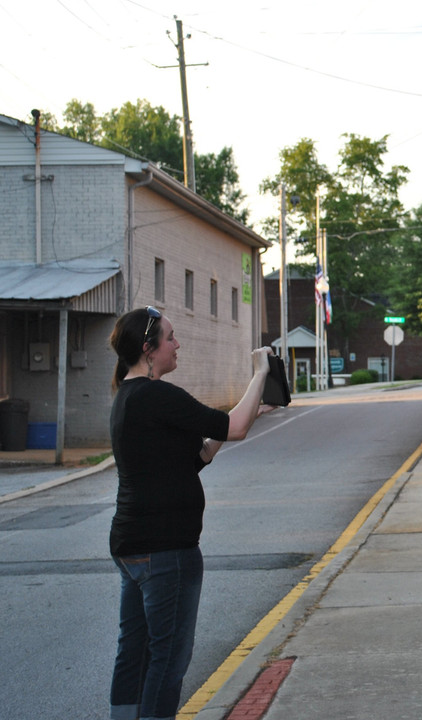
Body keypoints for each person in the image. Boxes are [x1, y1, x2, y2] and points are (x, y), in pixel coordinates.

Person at [107, 306, 275, 720]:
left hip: (133, 546)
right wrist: (260, 374)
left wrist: (249, 407)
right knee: (167, 658)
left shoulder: (129, 397)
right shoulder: (157, 394)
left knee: (135, 650)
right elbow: (234, 428)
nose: (177, 344)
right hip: (167, 550)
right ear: (149, 350)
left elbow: (202, 452)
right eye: (170, 337)